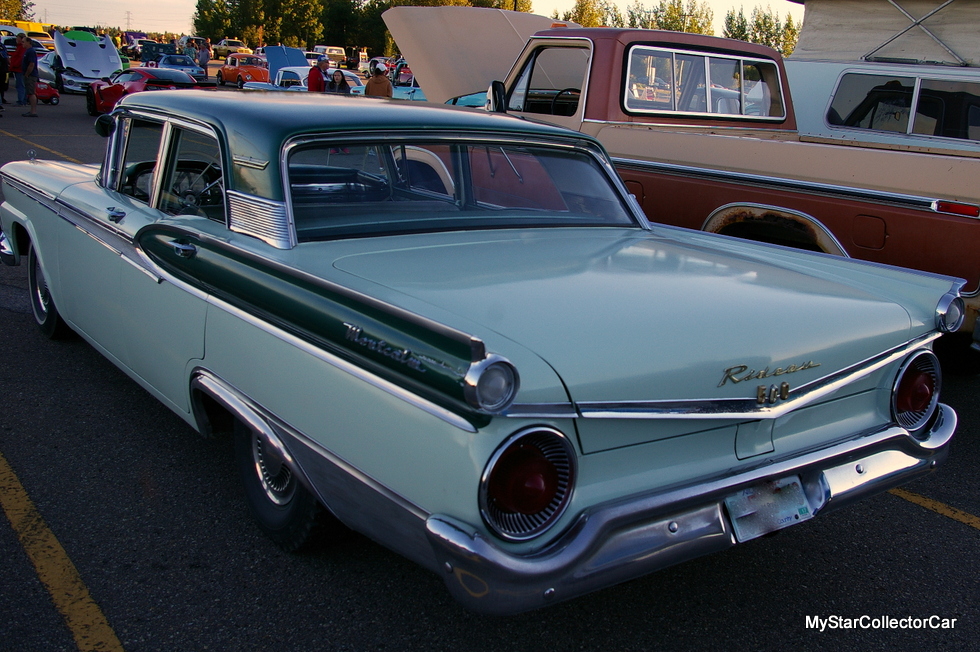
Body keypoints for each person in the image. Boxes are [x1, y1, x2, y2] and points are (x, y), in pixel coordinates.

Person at [18, 33, 39, 117]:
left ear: (28, 42)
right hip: (27, 75)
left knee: (31, 93)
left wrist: (27, 74)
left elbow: (31, 64)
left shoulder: (31, 51)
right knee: (29, 92)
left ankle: (33, 111)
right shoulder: (27, 51)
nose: (22, 43)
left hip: (31, 75)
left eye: (23, 42)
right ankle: (31, 110)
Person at [10, 35, 26, 106]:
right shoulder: (19, 47)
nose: (16, 39)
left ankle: (21, 101)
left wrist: (14, 65)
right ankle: (24, 100)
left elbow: (20, 59)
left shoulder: (22, 48)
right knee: (22, 85)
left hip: (19, 69)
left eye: (17, 38)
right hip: (18, 69)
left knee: (20, 85)